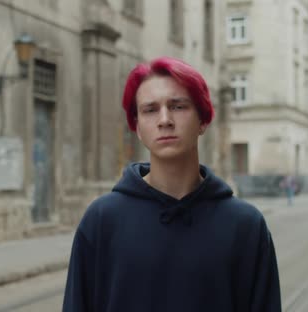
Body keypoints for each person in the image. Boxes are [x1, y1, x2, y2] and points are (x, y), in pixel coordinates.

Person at [62, 57, 281, 312]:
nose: (164, 120)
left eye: (178, 106)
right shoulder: (102, 220)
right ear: (138, 128)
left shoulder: (246, 226)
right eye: (150, 110)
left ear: (203, 120)